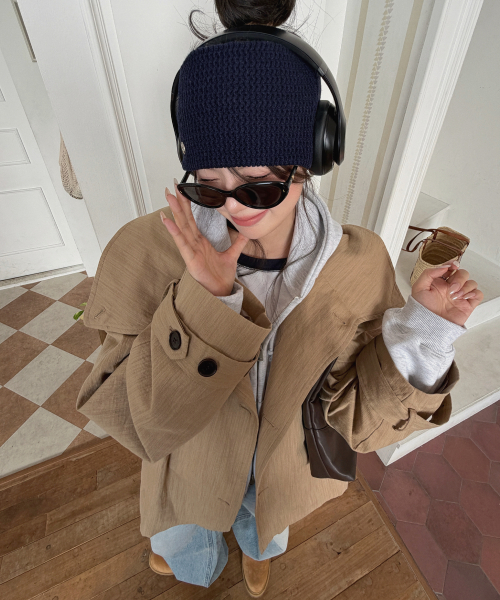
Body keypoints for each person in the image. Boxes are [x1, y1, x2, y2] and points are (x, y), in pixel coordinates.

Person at [76, 0, 483, 596]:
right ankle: (193, 560)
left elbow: (359, 422)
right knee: (186, 540)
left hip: (285, 469)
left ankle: (256, 545)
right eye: (207, 185)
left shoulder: (360, 264)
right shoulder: (144, 251)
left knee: (263, 524)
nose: (232, 205)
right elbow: (129, 416)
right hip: (186, 458)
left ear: (310, 161)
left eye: (259, 186)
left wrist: (421, 334)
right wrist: (207, 305)